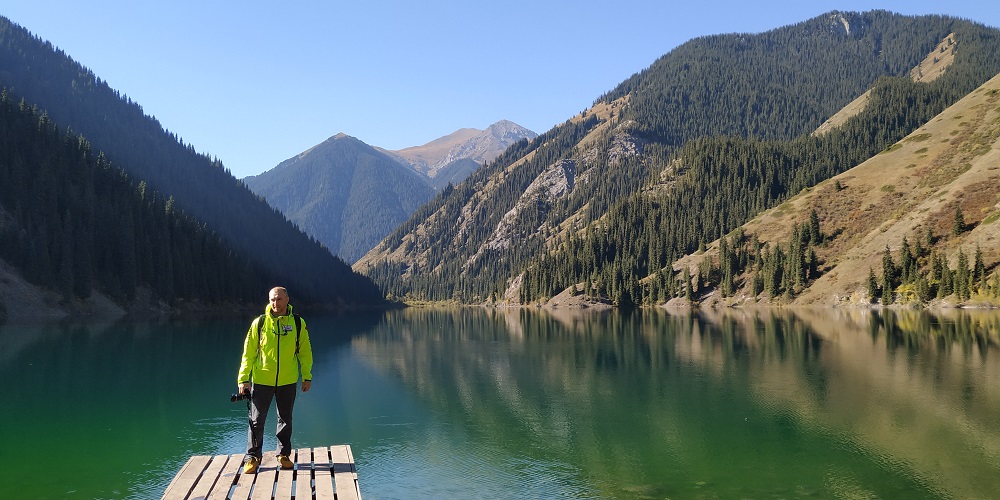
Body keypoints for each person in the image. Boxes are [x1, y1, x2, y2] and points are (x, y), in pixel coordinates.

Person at [237, 286, 313, 474]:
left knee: (285, 419)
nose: (275, 303)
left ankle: (283, 455)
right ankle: (253, 457)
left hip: (288, 380)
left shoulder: (297, 322)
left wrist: (307, 375)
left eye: (279, 299)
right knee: (256, 420)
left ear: (287, 300)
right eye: (272, 299)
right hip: (262, 379)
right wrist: (243, 379)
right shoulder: (260, 323)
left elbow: (305, 351)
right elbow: (248, 353)